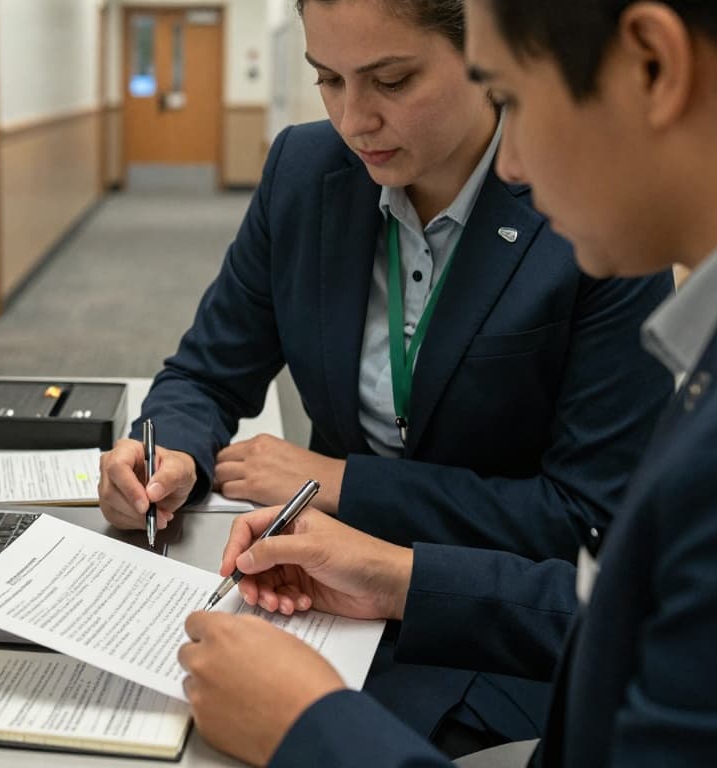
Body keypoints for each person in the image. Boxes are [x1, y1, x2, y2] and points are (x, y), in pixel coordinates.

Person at [176, 0, 717, 765]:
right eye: (328, 79)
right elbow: (631, 609)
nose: (512, 166)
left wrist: (310, 729)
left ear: (652, 67)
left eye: (516, 99)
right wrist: (400, 578)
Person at [101, 0, 671, 751]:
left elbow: (583, 519)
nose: (353, 119)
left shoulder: (590, 207)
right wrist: (164, 448)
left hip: (501, 635)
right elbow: (205, 372)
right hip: (318, 590)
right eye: (328, 80)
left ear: (486, 57)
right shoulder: (305, 171)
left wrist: (344, 483)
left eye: (392, 81)